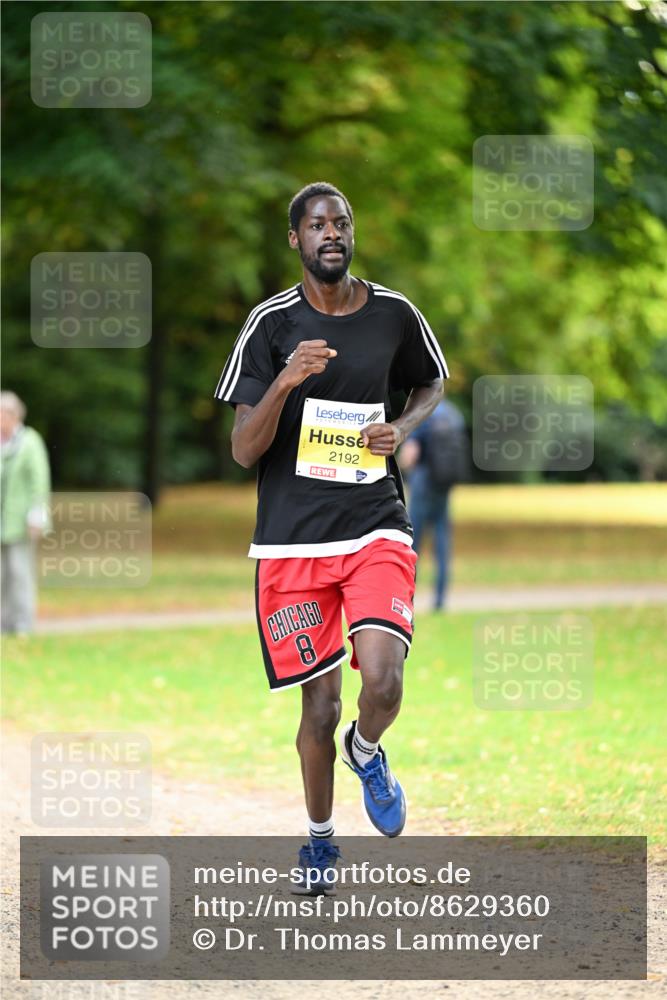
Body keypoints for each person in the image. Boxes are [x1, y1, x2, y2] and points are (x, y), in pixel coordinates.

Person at [214, 182, 447, 893]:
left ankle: (366, 749)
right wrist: (286, 381)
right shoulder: (269, 324)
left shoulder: (394, 314)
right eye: (316, 224)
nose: (331, 233)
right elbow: (242, 450)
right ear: (296, 240)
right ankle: (318, 842)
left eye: (341, 222)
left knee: (381, 676)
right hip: (291, 541)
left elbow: (431, 382)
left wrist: (401, 429)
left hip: (374, 520)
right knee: (317, 705)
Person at [399, 398, 468, 610]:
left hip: (423, 483)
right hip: (444, 484)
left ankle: (406, 598)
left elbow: (410, 454)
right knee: (442, 542)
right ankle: (439, 600)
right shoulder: (454, 414)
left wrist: (403, 469)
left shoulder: (423, 412)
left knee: (413, 543)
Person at [0, 391, 52, 635]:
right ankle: (3, 623)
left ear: (12, 415)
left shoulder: (30, 441)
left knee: (20, 573)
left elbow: (39, 482)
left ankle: (23, 623)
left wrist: (37, 515)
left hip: (21, 522)